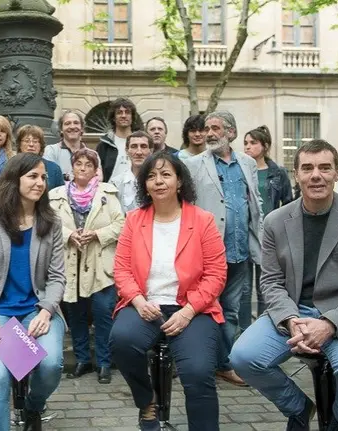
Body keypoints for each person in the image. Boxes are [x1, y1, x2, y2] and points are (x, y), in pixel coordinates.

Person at [230, 139, 338, 431]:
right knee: (243, 357)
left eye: (325, 168)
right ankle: (299, 408)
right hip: (292, 312)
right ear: (296, 174)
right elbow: (272, 281)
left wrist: (328, 324)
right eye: (308, 168)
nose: (317, 175)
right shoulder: (276, 221)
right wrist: (289, 319)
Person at [110, 151, 226, 431]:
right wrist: (138, 301)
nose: (158, 181)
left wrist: (188, 312)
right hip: (145, 306)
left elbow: (216, 274)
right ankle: (147, 402)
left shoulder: (203, 220)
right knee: (121, 341)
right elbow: (122, 270)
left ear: (179, 181)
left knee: (198, 373)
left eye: (165, 175)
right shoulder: (133, 220)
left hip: (193, 309)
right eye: (151, 176)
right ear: (144, 184)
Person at [0, 153, 66, 431]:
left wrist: (47, 311)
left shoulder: (51, 221)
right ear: (15, 179)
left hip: (38, 311)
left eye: (43, 177)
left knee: (50, 366)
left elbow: (58, 277)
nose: (40, 183)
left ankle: (32, 406)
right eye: (33, 176)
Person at [182, 111, 262, 387]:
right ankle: (200, 362)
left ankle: (223, 364)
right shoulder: (193, 164)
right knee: (203, 308)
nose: (209, 133)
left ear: (231, 133)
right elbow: (186, 206)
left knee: (230, 310)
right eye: (206, 128)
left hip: (240, 251)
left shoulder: (248, 163)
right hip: (206, 253)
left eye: (215, 128)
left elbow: (255, 202)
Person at [49, 148, 124, 384]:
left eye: (88, 164)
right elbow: (49, 224)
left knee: (103, 313)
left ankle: (104, 362)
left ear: (95, 169)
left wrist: (97, 234)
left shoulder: (108, 193)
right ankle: (82, 359)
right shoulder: (56, 195)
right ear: (72, 167)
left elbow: (121, 224)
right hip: (70, 261)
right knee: (76, 314)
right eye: (78, 163)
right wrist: (69, 235)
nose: (82, 168)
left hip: (100, 264)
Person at [241, 125, 293, 328]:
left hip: (269, 235)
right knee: (244, 288)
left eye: (253, 143)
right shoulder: (240, 170)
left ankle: (263, 328)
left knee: (266, 285)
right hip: (245, 234)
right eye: (245, 143)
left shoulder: (277, 172)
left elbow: (288, 204)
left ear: (265, 146)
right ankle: (243, 331)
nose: (247, 147)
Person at [96, 97, 143, 182]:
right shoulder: (104, 145)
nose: (124, 115)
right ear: (113, 117)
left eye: (127, 112)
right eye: (119, 112)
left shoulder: (141, 143)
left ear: (132, 117)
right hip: (110, 192)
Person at [110, 130, 152, 213]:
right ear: (126, 151)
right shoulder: (115, 184)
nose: (139, 152)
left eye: (143, 146)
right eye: (134, 146)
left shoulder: (158, 182)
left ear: (151, 151)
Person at [16, 124, 65, 191]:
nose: (31, 144)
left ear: (41, 145)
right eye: (27, 141)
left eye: (35, 141)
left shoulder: (54, 169)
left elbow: (60, 194)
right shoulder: (12, 166)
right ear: (20, 145)